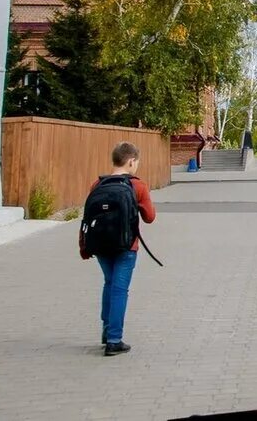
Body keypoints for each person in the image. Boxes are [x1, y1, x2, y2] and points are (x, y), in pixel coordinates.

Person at [79, 142, 157, 356]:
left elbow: (88, 216)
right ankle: (114, 339)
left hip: (100, 245)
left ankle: (106, 331)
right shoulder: (138, 186)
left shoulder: (97, 184)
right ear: (131, 161)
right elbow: (150, 217)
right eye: (136, 163)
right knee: (120, 289)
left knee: (109, 283)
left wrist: (84, 245)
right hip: (126, 246)